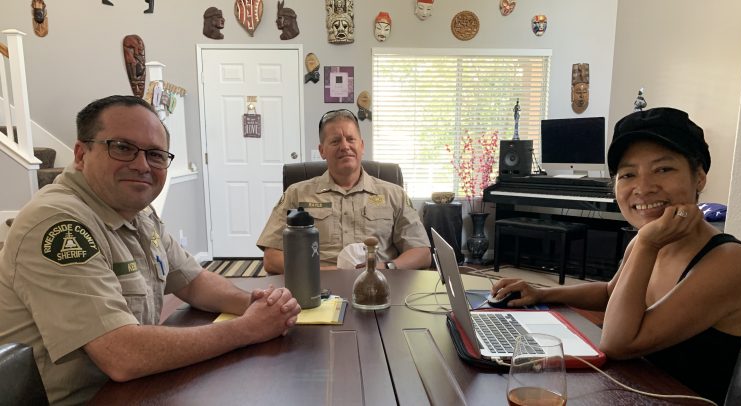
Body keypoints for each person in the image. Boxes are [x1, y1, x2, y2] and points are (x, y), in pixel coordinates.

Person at [0, 95, 301, 405]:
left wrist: (255, 303)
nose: (142, 165)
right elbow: (121, 354)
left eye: (155, 154)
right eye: (122, 148)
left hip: (135, 388)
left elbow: (192, 281)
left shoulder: (137, 214)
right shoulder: (58, 224)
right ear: (81, 153)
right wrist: (246, 329)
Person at [490, 107, 741, 404]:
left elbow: (618, 342)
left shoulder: (728, 262)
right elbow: (613, 294)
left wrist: (647, 243)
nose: (643, 187)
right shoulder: (648, 241)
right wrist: (543, 292)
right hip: (638, 390)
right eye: (628, 174)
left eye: (663, 169)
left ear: (699, 176)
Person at [258, 109, 432, 274]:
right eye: (335, 141)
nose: (344, 146)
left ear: (362, 146)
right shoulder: (297, 194)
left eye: (351, 139)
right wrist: (322, 272)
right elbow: (272, 258)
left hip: (380, 285)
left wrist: (384, 267)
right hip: (317, 287)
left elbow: (421, 252)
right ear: (322, 151)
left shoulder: (394, 195)